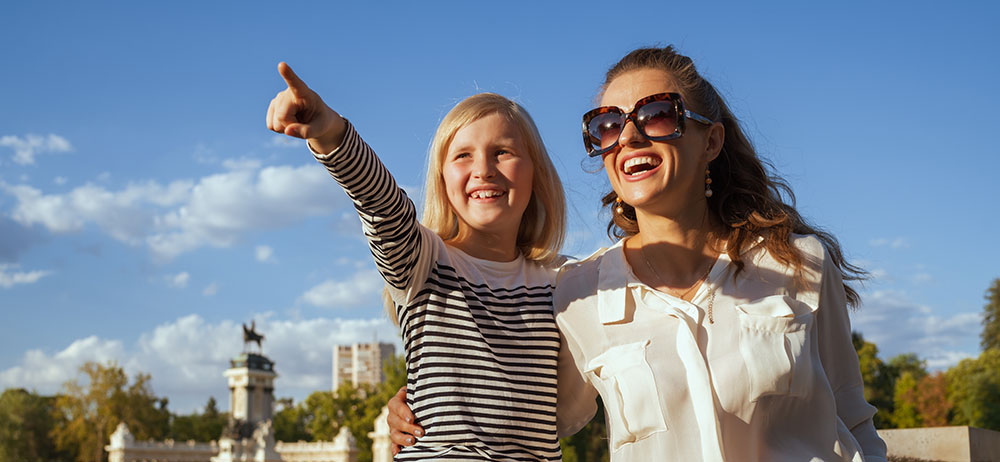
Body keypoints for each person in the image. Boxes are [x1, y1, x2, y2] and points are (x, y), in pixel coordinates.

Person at [388, 46, 887, 462]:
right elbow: (528, 404)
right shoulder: (577, 292)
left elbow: (855, 421)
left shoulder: (799, 263)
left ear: (711, 141)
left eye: (657, 115)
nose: (628, 136)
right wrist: (423, 400)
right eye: (607, 125)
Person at [266, 62, 568, 461]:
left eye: (503, 152)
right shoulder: (423, 261)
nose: (483, 169)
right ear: (442, 179)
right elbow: (381, 205)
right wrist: (331, 133)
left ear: (537, 175)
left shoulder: (565, 282)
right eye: (463, 155)